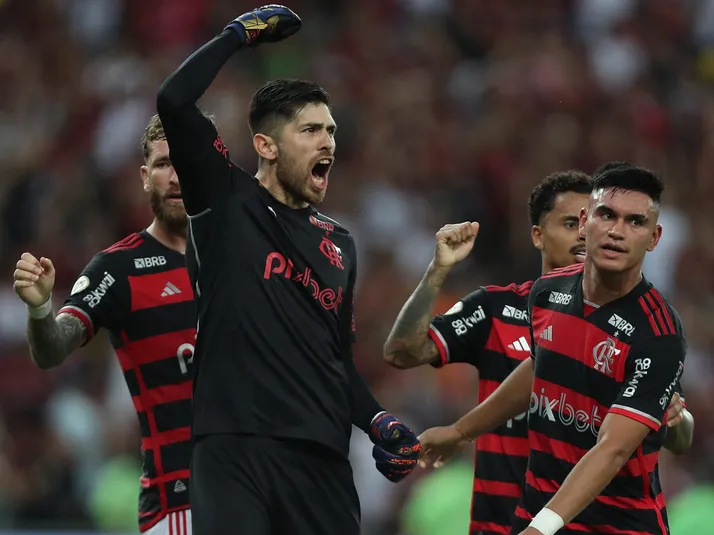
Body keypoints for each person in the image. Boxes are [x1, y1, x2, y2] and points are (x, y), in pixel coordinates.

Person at [155, 5, 420, 535]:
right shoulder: (225, 198)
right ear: (267, 146)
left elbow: (335, 361)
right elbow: (173, 101)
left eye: (331, 131)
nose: (328, 142)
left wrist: (378, 421)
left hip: (321, 458)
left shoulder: (340, 243)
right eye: (310, 130)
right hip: (234, 446)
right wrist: (238, 35)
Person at [384, 169, 692, 535]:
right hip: (528, 513)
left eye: (635, 221)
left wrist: (541, 528)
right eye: (606, 215)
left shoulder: (658, 334)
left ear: (654, 237)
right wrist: (461, 431)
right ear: (585, 222)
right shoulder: (544, 293)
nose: (617, 231)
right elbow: (540, 365)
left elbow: (616, 448)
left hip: (611, 525)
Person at [12, 114, 197, 534]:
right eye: (164, 164)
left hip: (256, 496)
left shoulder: (239, 258)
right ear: (146, 178)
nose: (175, 177)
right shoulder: (118, 268)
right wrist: (40, 310)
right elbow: (52, 348)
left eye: (186, 163)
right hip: (179, 506)